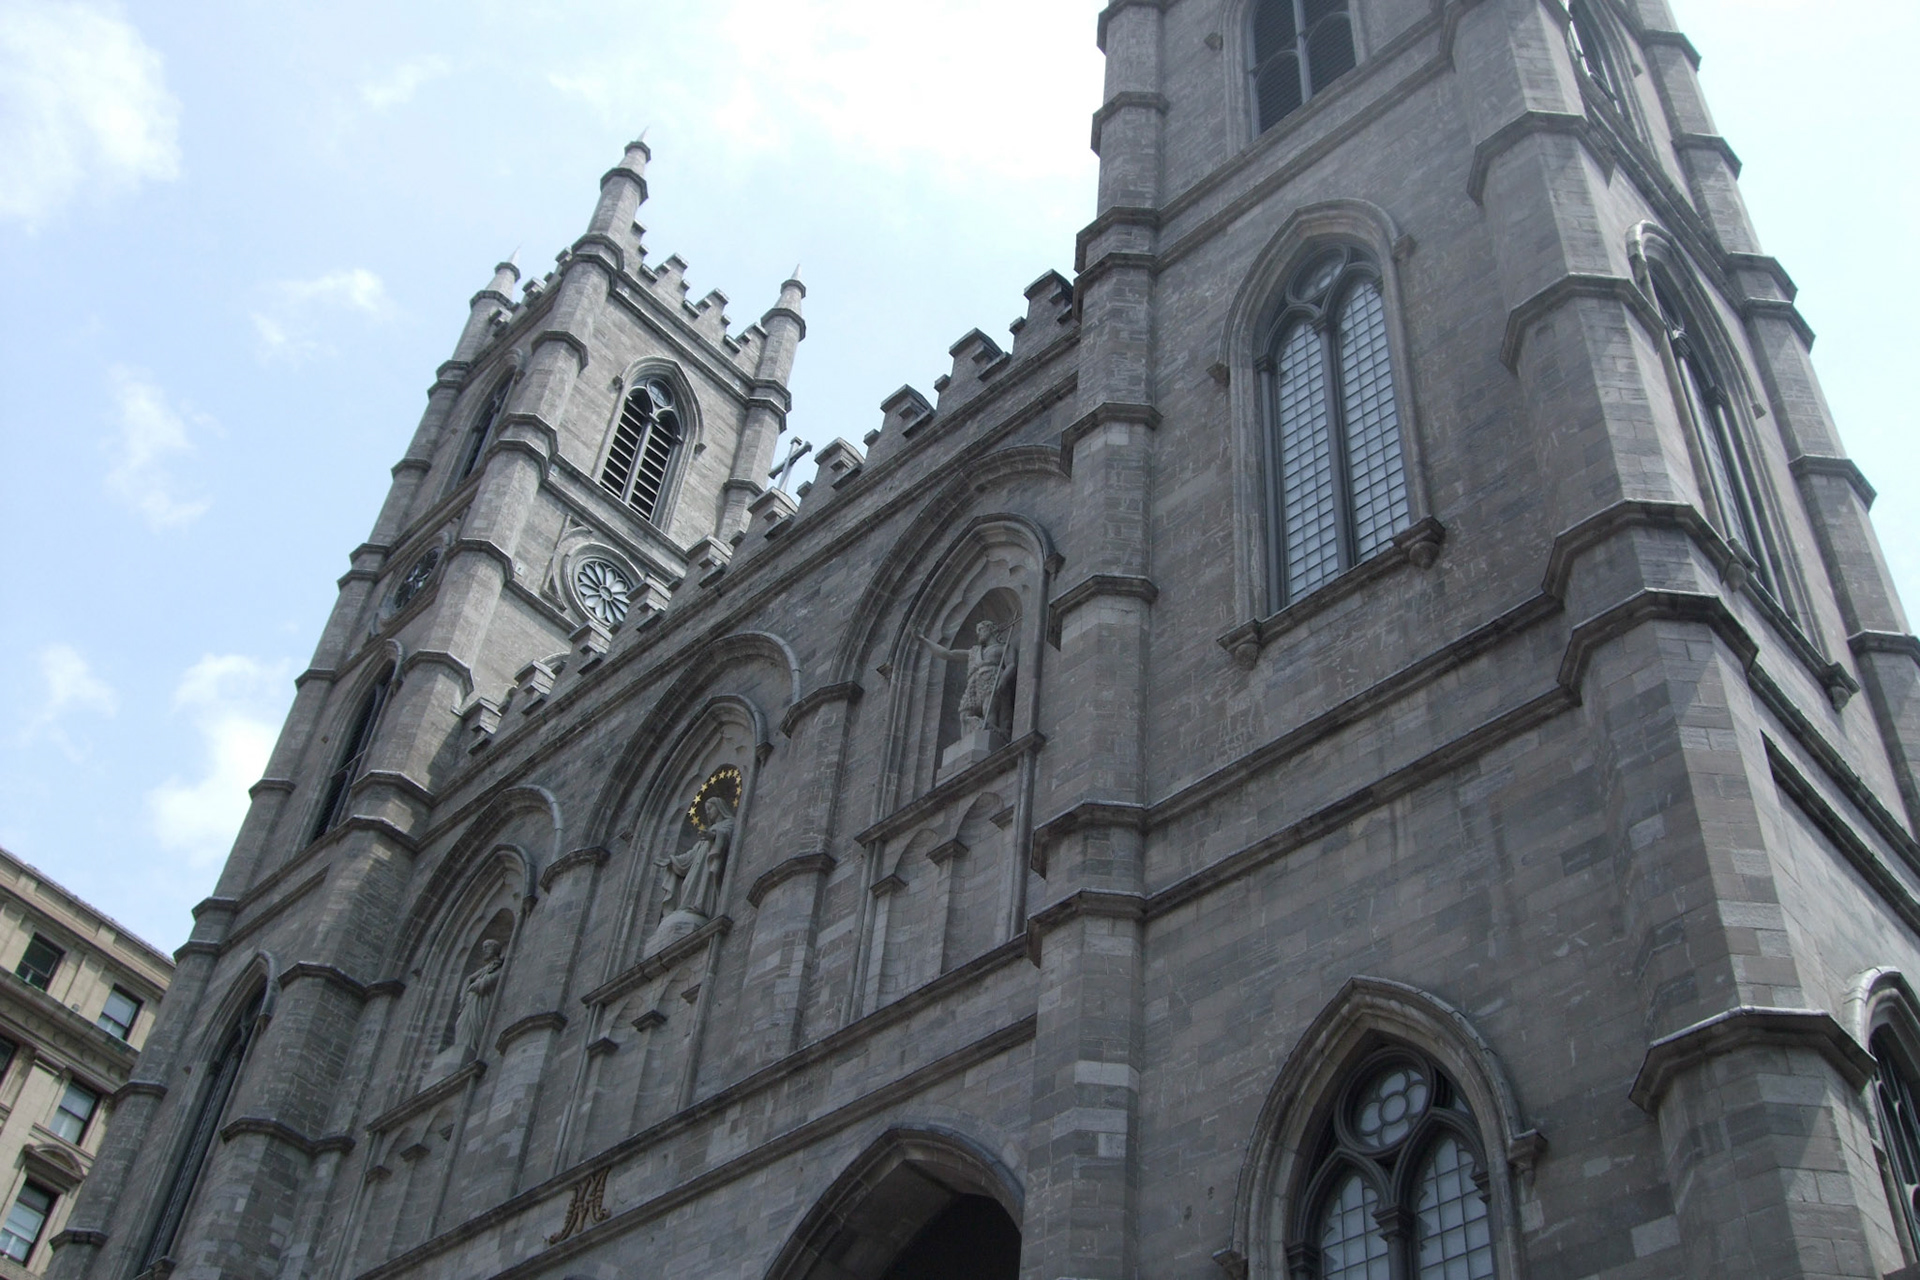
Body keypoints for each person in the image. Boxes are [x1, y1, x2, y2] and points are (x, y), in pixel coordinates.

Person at [920, 620, 1015, 737]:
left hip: (992, 677)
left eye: (981, 630)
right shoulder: (974, 652)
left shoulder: (1003, 647)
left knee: (989, 709)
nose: (978, 634)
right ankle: (969, 738)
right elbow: (947, 654)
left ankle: (991, 736)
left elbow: (1011, 664)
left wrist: (1003, 679)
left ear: (991, 629)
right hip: (974, 683)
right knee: (964, 714)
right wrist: (924, 640)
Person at [659, 794, 735, 920]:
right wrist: (672, 861)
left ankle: (700, 908)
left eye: (710, 808)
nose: (708, 812)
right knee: (687, 885)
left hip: (709, 865)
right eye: (706, 810)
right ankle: (688, 907)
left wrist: (714, 835)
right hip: (697, 867)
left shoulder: (728, 823)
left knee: (703, 887)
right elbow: (692, 854)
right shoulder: (708, 830)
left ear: (719, 807)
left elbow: (727, 835)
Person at [449, 939, 504, 1059]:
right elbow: (469, 979)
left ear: (494, 950)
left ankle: (471, 1050)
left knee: (475, 1025)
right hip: (472, 1000)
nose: (484, 951)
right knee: (461, 1024)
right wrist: (464, 996)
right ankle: (465, 1048)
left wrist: (480, 983)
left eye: (487, 948)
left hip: (482, 1000)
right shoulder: (485, 969)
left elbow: (498, 976)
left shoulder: (499, 964)